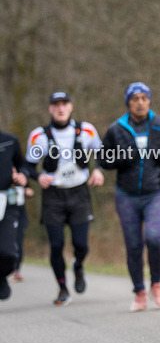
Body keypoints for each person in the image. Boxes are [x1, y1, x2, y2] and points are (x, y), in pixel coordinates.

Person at [99, 82, 160, 311]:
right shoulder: (116, 129)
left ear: (149, 100)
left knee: (154, 238)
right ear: (128, 103)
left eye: (144, 98)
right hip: (127, 195)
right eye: (135, 99)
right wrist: (122, 158)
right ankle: (139, 292)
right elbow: (103, 160)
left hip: (157, 192)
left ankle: (156, 284)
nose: (140, 103)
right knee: (133, 245)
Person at [25, 92, 104, 305]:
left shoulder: (86, 130)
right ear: (50, 108)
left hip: (79, 193)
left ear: (71, 106)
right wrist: (38, 177)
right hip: (53, 195)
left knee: (81, 244)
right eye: (56, 104)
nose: (60, 108)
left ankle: (78, 266)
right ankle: (62, 287)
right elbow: (28, 166)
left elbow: (102, 154)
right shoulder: (39, 135)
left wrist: (98, 171)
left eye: (64, 104)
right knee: (56, 244)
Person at [0, 112, 30, 301]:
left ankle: (1, 276)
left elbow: (23, 166)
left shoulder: (10, 141)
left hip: (7, 202)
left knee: (8, 253)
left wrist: (22, 176)